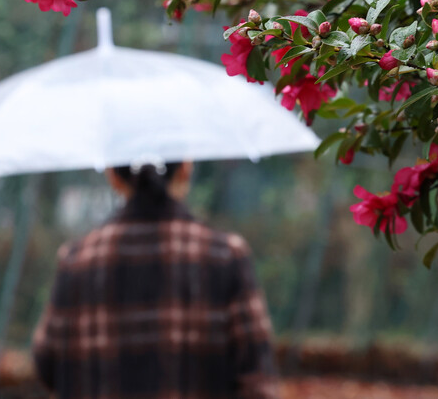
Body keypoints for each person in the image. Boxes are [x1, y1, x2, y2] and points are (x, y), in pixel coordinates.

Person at [32, 159, 280, 398]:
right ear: (185, 168)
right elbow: (258, 378)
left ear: (113, 174)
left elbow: (46, 364)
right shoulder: (225, 255)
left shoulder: (76, 261)